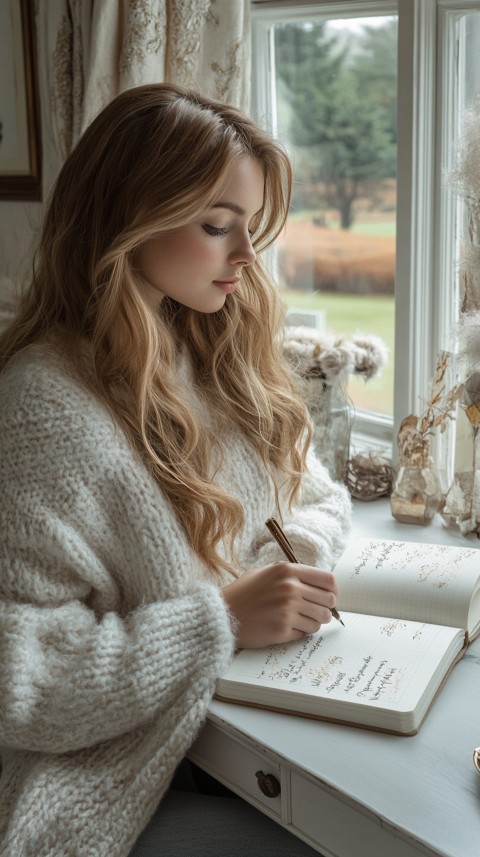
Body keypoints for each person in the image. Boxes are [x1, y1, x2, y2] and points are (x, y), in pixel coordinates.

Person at [0, 84, 351, 857]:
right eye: (217, 225)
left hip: (234, 723)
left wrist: (294, 570)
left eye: (251, 226)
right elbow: (18, 678)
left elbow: (321, 498)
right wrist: (218, 621)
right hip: (113, 786)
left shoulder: (216, 348)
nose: (246, 256)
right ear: (129, 219)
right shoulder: (46, 407)